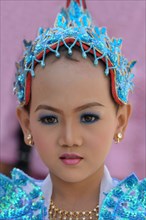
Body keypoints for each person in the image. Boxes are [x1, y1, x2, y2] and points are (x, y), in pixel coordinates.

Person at [0, 0, 145, 219]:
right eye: (49, 119)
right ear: (26, 123)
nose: (69, 138)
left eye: (88, 117)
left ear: (121, 120)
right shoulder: (10, 209)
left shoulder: (137, 211)